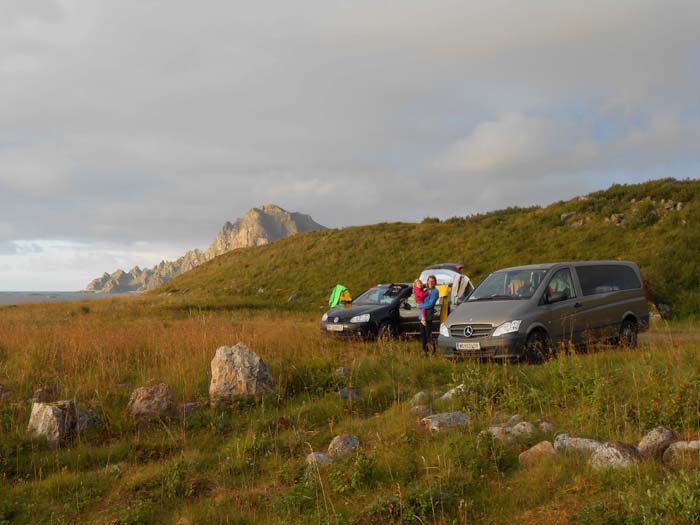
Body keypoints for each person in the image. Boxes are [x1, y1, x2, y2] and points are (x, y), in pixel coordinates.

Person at [418, 275, 439, 355]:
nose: (430, 282)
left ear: (435, 283)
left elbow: (430, 304)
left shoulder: (435, 291)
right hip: (422, 316)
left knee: (428, 335)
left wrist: (419, 306)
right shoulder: (425, 290)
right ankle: (424, 351)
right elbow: (420, 299)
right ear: (427, 281)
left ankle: (433, 351)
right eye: (429, 281)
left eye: (432, 281)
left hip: (428, 316)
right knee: (422, 335)